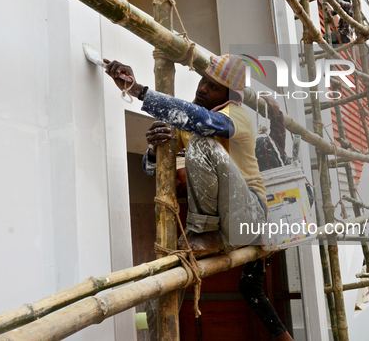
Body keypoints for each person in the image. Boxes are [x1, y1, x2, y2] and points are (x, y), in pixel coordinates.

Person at [104, 54, 293, 341]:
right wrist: (154, 150)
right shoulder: (191, 118)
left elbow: (204, 123)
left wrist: (139, 90)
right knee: (166, 283)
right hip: (219, 226)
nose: (203, 88)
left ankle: (204, 233)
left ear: (230, 96)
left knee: (202, 140)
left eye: (213, 87)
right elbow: (149, 169)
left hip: (249, 216)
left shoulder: (236, 115)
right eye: (203, 81)